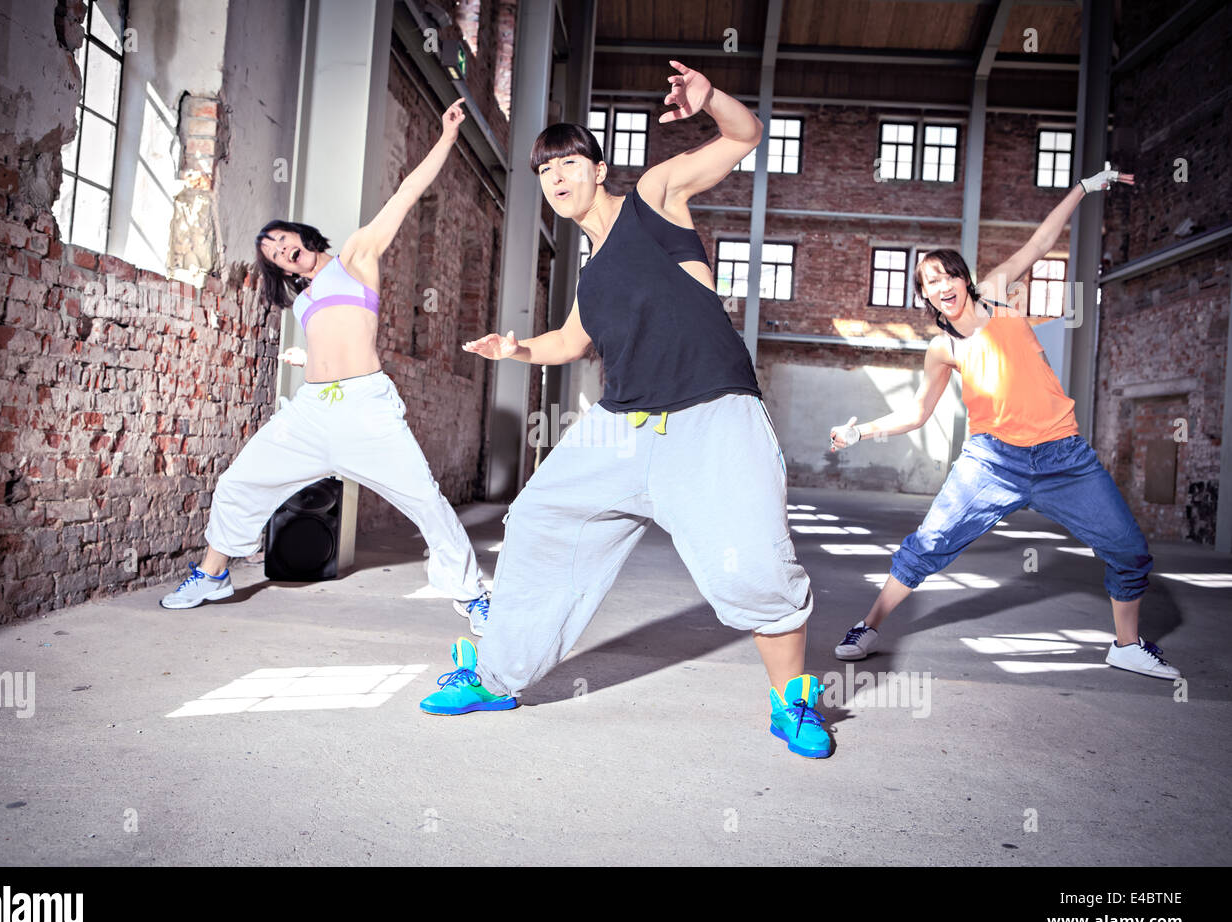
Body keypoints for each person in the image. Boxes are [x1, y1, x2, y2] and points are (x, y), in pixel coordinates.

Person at [418, 63, 829, 759]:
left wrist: (710, 101)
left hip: (709, 412)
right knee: (541, 518)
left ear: (598, 168)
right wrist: (514, 348)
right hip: (621, 426)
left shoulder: (653, 200)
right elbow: (571, 341)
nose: (556, 178)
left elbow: (745, 134)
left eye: (569, 162)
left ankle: (793, 706)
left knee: (750, 567)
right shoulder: (591, 271)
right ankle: (497, 676)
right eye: (545, 170)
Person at [829, 165, 1179, 681]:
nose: (941, 286)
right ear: (924, 297)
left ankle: (1125, 644)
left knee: (1129, 549)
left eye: (947, 274)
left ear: (963, 278)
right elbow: (918, 412)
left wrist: (1084, 188)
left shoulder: (997, 293)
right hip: (992, 462)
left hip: (1065, 458)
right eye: (929, 283)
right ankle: (869, 625)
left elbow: (1040, 242)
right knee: (928, 545)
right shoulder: (942, 348)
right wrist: (861, 431)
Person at [160, 99, 492, 637]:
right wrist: (304, 360)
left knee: (425, 501)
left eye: (280, 238)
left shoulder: (356, 256)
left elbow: (405, 196)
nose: (277, 249)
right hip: (312, 412)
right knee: (240, 483)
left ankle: (473, 595)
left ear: (301, 235)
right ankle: (211, 575)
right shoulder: (302, 301)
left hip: (365, 408)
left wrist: (447, 138)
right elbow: (328, 344)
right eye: (269, 251)